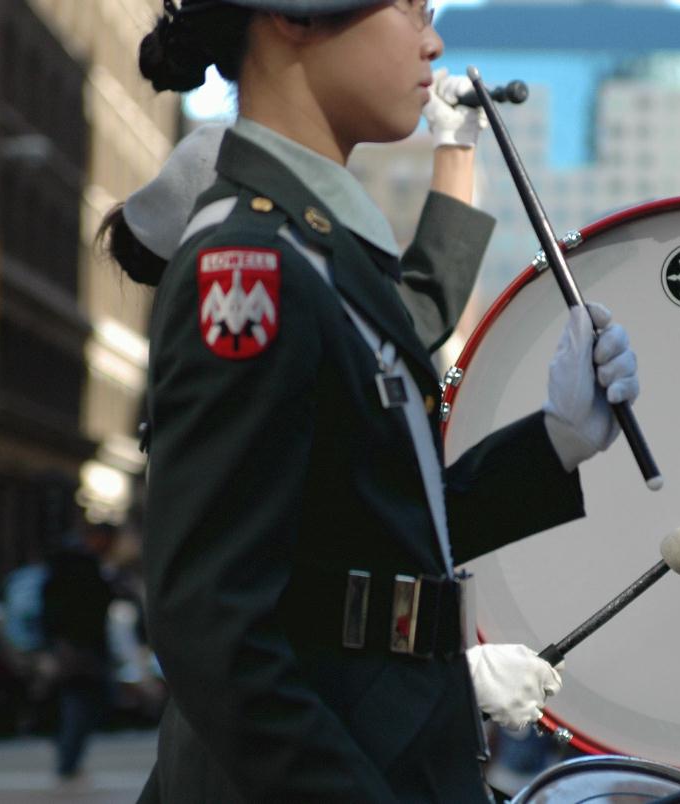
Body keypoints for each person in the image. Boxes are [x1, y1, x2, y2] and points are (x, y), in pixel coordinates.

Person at [116, 1, 639, 800]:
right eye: (408, 8)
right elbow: (213, 631)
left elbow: (369, 531)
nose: (432, 40)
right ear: (293, 16)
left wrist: (557, 440)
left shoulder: (318, 252)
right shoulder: (254, 267)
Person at [41, 521, 118, 783]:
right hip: (79, 645)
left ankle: (66, 752)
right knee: (80, 699)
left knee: (78, 699)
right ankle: (67, 756)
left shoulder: (68, 564)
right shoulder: (80, 566)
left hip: (75, 643)